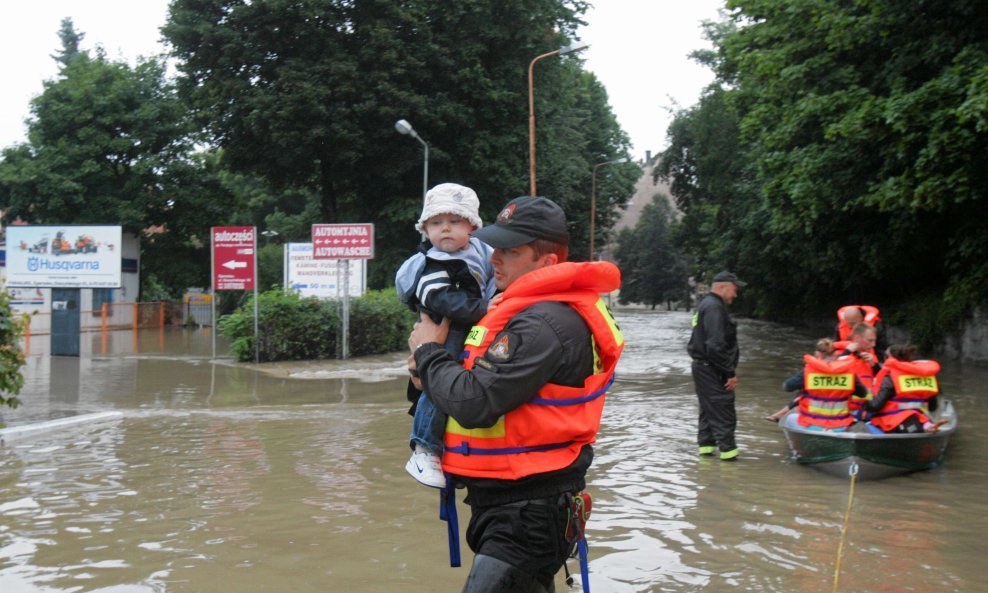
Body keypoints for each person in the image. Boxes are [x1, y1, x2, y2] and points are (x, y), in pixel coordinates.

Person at [407, 195, 625, 592]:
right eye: (496, 246)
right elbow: (470, 381)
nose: (494, 258)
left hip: (528, 509)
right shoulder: (524, 312)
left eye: (510, 250)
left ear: (547, 263)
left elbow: (474, 401)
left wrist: (428, 352)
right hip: (509, 501)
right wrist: (428, 370)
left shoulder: (543, 322)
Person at [395, 183, 495, 488]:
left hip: (470, 327)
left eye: (455, 222)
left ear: (473, 227)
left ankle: (454, 449)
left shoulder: (482, 253)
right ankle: (424, 449)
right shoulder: (433, 261)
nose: (445, 230)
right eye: (436, 223)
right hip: (445, 327)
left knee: (465, 386)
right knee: (439, 387)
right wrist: (485, 308)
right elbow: (438, 298)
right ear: (425, 230)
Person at [688, 271, 745, 461]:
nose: (735, 295)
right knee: (723, 413)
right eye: (734, 290)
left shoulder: (706, 304)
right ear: (722, 287)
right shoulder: (714, 307)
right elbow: (715, 345)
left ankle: (706, 456)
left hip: (703, 367)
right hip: (712, 369)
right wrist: (729, 372)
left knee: (708, 411)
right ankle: (730, 461)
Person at [765, 338, 871, 429]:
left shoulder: (809, 371)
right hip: (840, 426)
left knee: (789, 418)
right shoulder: (849, 373)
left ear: (817, 354)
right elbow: (863, 393)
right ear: (835, 354)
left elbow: (787, 386)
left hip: (812, 424)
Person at [862, 344, 945, 433]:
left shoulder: (890, 378)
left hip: (893, 422)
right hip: (921, 419)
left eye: (885, 357)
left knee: (863, 419)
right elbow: (933, 407)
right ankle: (927, 426)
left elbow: (875, 407)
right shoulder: (927, 377)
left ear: (890, 359)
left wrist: (864, 402)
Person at [834, 322, 882, 409]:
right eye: (870, 340)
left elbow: (883, 379)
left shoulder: (872, 357)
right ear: (857, 338)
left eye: (874, 341)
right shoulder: (839, 353)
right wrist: (846, 353)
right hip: (846, 408)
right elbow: (832, 370)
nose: (874, 344)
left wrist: (874, 365)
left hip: (867, 407)